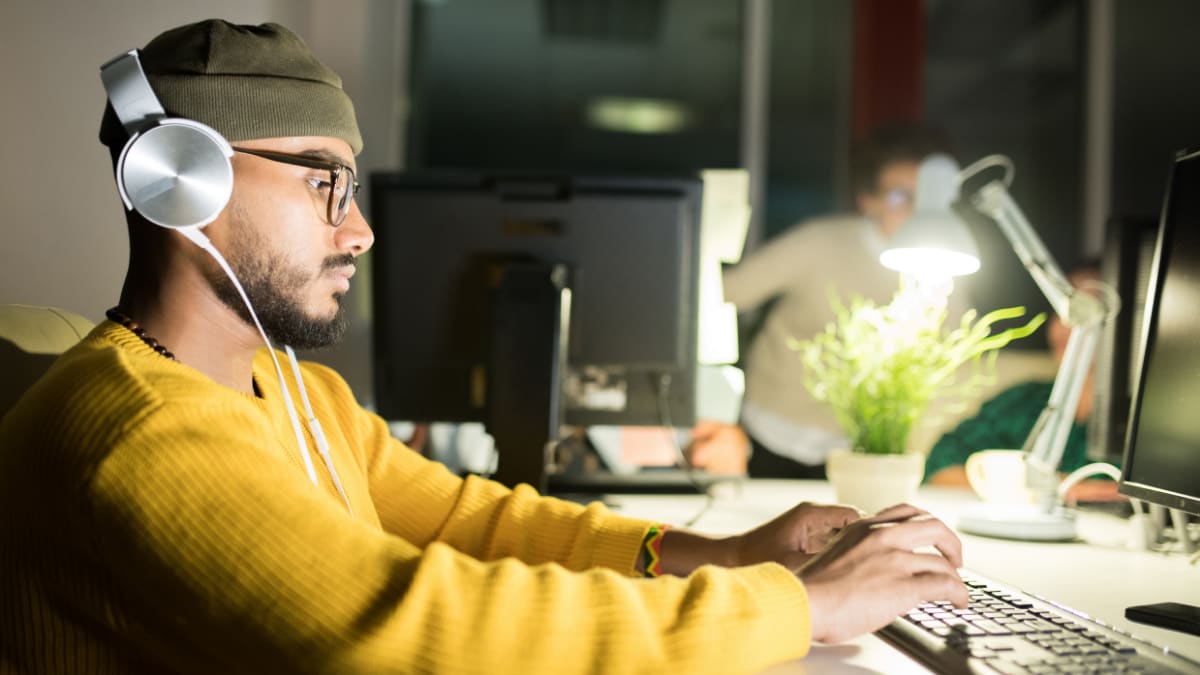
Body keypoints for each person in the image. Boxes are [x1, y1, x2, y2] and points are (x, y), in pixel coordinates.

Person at [0, 20, 968, 674]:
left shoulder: (293, 395)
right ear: (181, 181)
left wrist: (722, 553)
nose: (359, 230)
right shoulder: (133, 435)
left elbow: (476, 525)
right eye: (323, 183)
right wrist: (801, 607)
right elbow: (406, 626)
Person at [693, 124, 969, 478]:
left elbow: (953, 353)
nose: (916, 211)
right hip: (767, 433)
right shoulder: (818, 243)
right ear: (868, 199)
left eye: (926, 197)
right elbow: (719, 295)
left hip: (858, 450)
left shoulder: (946, 264)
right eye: (900, 196)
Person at [924, 264, 1121, 502]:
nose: (1064, 325)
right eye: (1061, 311)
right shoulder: (1023, 402)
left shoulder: (1137, 424)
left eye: (1084, 311)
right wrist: (1051, 488)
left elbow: (1131, 496)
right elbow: (940, 466)